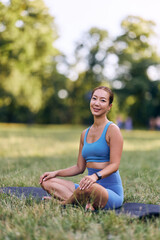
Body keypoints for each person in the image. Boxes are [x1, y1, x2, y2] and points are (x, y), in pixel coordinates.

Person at [39, 86, 124, 210]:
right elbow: (79, 167)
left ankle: (65, 203)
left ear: (109, 107)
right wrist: (56, 173)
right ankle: (84, 202)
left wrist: (95, 177)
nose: (97, 103)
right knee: (46, 182)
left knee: (90, 188)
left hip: (109, 192)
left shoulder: (113, 130)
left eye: (102, 100)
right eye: (94, 98)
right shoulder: (85, 133)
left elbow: (114, 165)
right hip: (86, 187)